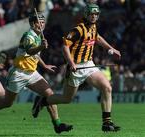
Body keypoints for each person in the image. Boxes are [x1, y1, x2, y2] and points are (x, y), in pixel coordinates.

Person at [0, 13, 73, 134]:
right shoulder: (28, 35)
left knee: (50, 95)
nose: (41, 24)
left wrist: (44, 65)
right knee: (8, 103)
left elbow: (35, 56)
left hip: (32, 73)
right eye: (39, 22)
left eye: (43, 22)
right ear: (33, 24)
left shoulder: (38, 36)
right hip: (19, 73)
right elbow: (30, 50)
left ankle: (57, 124)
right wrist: (41, 47)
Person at [32, 3, 121, 132]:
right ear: (86, 14)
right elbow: (65, 46)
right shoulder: (78, 29)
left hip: (89, 64)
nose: (94, 16)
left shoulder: (94, 27)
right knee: (66, 99)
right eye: (92, 14)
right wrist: (71, 63)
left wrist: (111, 48)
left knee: (107, 87)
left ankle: (107, 122)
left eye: (96, 14)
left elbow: (98, 38)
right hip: (76, 67)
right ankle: (42, 101)